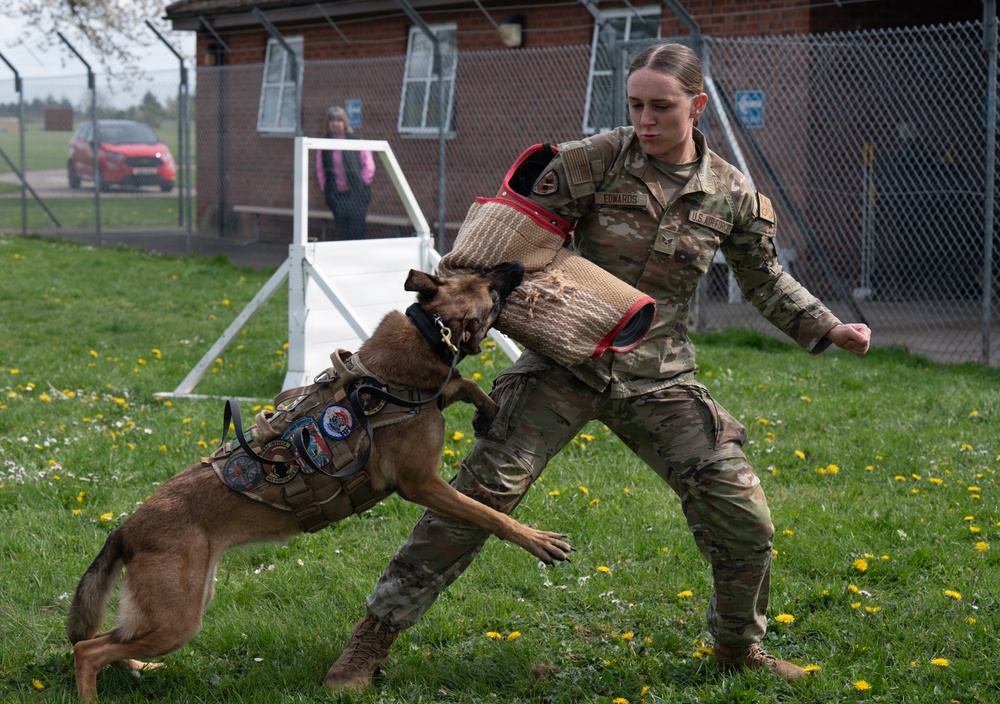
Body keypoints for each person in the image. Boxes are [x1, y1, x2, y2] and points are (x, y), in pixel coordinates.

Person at [323, 43, 872, 691]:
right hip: (563, 365)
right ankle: (370, 641)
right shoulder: (597, 159)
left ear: (696, 107)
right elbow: (511, 229)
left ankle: (737, 648)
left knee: (741, 512)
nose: (645, 118)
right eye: (636, 104)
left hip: (659, 377)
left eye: (661, 107)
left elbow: (765, 279)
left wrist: (828, 325)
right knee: (478, 496)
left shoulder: (729, 193)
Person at [315, 106, 375, 239]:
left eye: (339, 120)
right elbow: (320, 169)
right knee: (342, 230)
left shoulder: (357, 141)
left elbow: (369, 165)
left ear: (345, 123)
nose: (335, 124)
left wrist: (363, 182)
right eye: (332, 120)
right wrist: (325, 187)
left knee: (357, 230)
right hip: (336, 196)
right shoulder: (323, 144)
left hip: (357, 194)